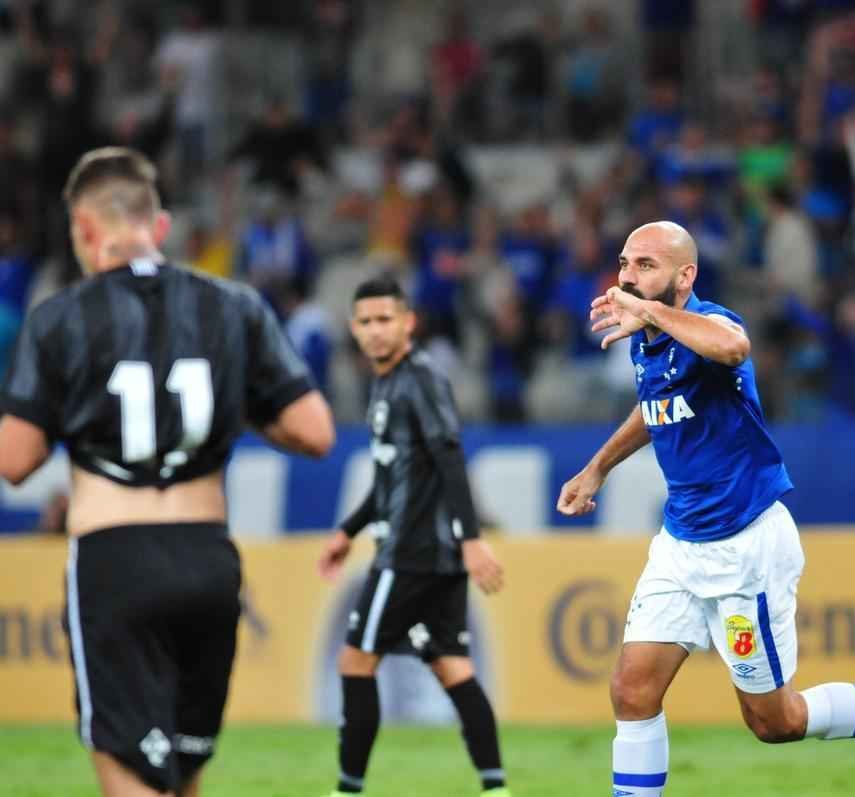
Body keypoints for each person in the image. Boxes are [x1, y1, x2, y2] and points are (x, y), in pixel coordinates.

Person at [556, 221, 855, 796]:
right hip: (680, 543)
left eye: (645, 266)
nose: (628, 278)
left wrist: (650, 314)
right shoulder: (647, 335)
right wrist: (598, 467)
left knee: (774, 722)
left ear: (685, 276)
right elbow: (655, 406)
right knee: (631, 691)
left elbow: (732, 345)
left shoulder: (710, 322)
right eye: (624, 264)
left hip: (745, 547)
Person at [0, 147, 336, 796]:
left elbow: (15, 460)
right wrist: (239, 405)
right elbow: (314, 430)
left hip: (114, 559)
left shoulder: (61, 320)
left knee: (133, 783)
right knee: (183, 780)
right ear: (158, 228)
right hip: (208, 560)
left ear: (85, 230)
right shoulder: (234, 307)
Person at [316, 276, 509, 797]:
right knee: (452, 667)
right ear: (354, 329)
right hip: (432, 555)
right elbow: (391, 478)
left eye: (386, 319)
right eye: (366, 322)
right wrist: (346, 532)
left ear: (408, 323)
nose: (376, 331)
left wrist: (471, 538)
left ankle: (347, 788)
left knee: (355, 659)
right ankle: (496, 788)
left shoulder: (419, 378)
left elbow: (448, 453)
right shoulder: (388, 383)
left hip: (410, 553)